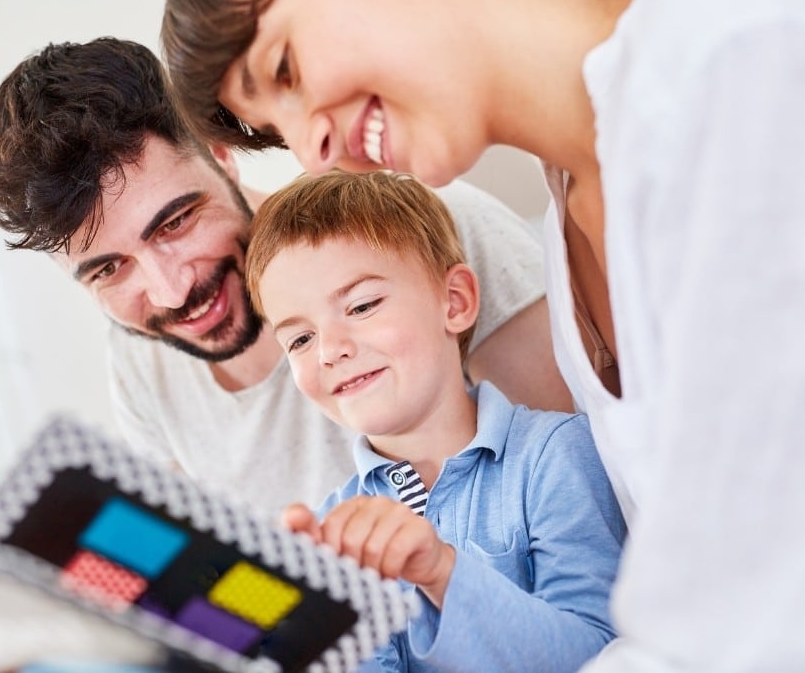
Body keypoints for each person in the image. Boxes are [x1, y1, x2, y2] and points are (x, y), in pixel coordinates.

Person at [160, 0, 805, 669]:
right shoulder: (567, 229)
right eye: (279, 133)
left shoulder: (738, 58)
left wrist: (443, 575)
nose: (312, 153)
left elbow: (761, 600)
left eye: (286, 67)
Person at [0, 37, 571, 516]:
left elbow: (581, 494)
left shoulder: (416, 233)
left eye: (176, 223)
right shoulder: (140, 367)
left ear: (221, 154)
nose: (172, 291)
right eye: (109, 269)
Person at [245, 169, 625, 671]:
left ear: (455, 301)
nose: (330, 351)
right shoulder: (334, 532)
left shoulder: (555, 455)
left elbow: (596, 654)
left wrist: (441, 572)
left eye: (361, 305)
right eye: (299, 339)